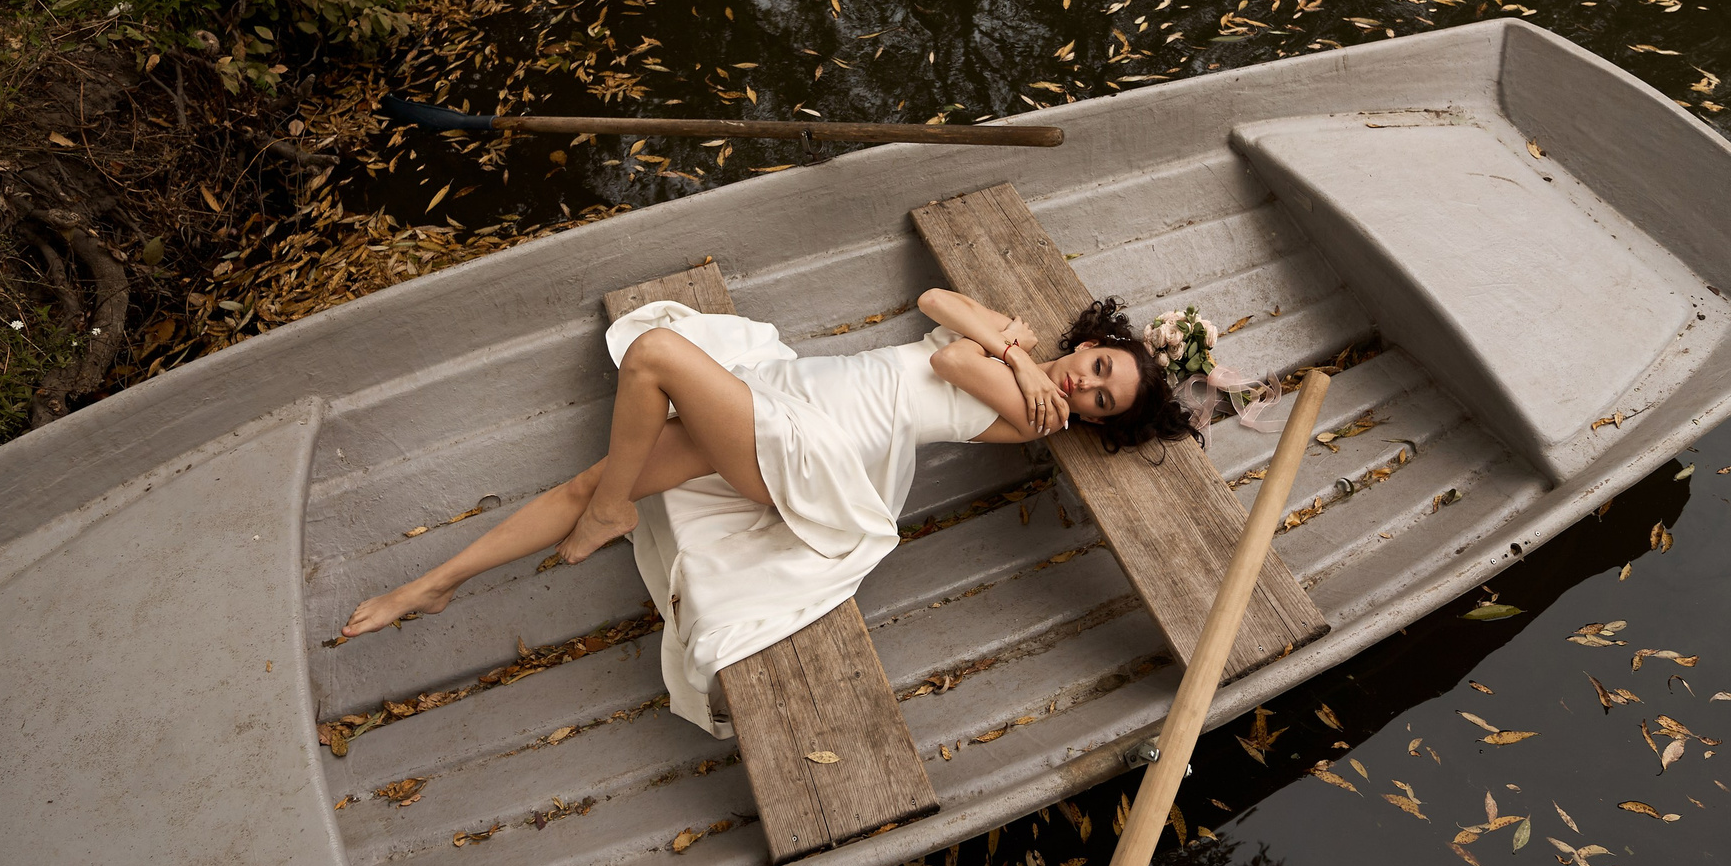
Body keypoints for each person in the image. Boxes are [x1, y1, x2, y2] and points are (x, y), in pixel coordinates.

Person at [342, 287, 1196, 734]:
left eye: (1102, 402)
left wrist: (1014, 361)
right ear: (1091, 344)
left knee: (655, 353)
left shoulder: (1035, 414)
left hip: (809, 449)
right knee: (595, 479)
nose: (1084, 387)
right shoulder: (1026, 359)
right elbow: (937, 302)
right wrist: (1014, 343)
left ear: (1094, 423)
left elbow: (947, 365)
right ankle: (435, 583)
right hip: (792, 393)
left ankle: (607, 516)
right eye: (1097, 368)